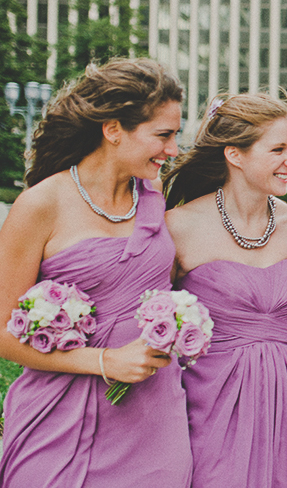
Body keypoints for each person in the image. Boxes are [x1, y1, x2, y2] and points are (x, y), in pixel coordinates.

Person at [0, 58, 192, 486]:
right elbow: (3, 335)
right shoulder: (40, 206)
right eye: (163, 135)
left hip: (153, 419)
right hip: (58, 414)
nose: (174, 149)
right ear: (113, 130)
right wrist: (106, 361)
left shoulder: (154, 196)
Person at [162, 93, 287, 487]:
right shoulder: (179, 226)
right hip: (206, 401)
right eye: (278, 149)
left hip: (284, 400)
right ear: (235, 155)